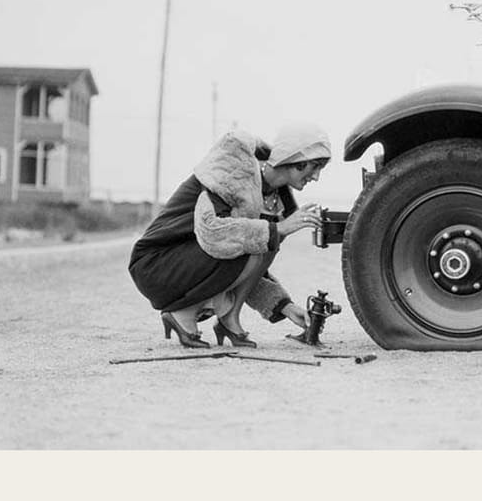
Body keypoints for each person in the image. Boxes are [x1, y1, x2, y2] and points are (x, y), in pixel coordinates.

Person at [128, 123, 331, 349]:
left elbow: (248, 263)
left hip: (189, 261)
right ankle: (183, 314)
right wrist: (278, 229)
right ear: (296, 160)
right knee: (261, 237)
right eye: (315, 166)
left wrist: (284, 305)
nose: (316, 176)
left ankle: (229, 319)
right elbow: (214, 233)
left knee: (264, 241)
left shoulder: (277, 197)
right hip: (157, 264)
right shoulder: (233, 169)